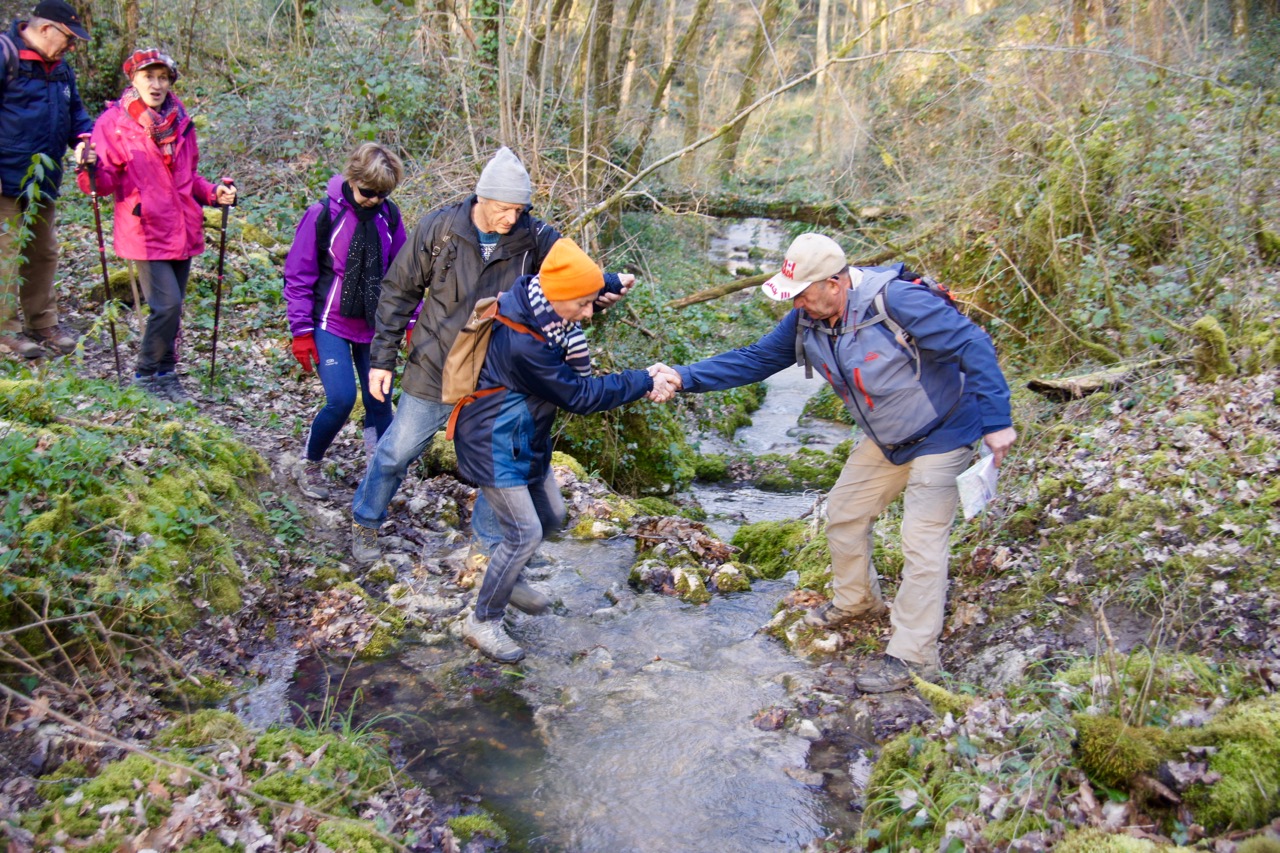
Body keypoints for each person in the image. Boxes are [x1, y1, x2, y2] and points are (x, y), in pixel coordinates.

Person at [659, 233, 1017, 693]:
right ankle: (857, 602)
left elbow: (973, 343)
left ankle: (913, 656)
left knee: (921, 542)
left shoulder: (897, 301)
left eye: (804, 294)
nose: (798, 304)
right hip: (887, 439)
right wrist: (683, 377)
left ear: (836, 282)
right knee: (844, 514)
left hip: (945, 431)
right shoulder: (806, 321)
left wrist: (997, 419)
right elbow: (754, 360)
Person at [350, 146, 633, 564]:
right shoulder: (439, 229)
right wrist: (381, 359)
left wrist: (606, 285)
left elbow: (575, 276)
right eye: (504, 209)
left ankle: (486, 551)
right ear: (480, 199)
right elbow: (398, 292)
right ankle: (365, 521)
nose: (511, 218)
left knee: (499, 469)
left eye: (519, 210)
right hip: (434, 365)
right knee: (395, 452)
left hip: (497, 376)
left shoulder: (534, 238)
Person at [452, 237, 677, 662]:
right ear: (561, 300)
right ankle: (483, 621)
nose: (590, 314)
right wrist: (645, 380)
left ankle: (507, 573)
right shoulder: (525, 343)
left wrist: (608, 282)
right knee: (525, 533)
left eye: (594, 302)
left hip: (525, 437)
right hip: (493, 443)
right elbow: (580, 396)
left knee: (553, 516)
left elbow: (569, 283)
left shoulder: (537, 302)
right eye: (585, 305)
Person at [77, 47, 236, 402]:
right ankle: (145, 375)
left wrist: (214, 194)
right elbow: (100, 184)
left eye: (163, 77)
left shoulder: (180, 121)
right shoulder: (114, 124)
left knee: (173, 306)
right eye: (149, 76)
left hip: (181, 226)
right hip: (144, 230)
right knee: (167, 305)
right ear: (133, 79)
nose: (156, 84)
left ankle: (166, 374)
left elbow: (189, 178)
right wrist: (86, 166)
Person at [284, 143, 408, 500]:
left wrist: (410, 320)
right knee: (341, 398)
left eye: (382, 194)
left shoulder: (389, 217)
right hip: (329, 322)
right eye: (368, 192)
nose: (373, 200)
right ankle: (309, 463)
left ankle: (379, 477)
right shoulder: (323, 215)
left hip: (374, 325)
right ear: (353, 179)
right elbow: (298, 274)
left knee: (379, 400)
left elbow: (403, 275)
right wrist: (301, 332)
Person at [0, 0, 93, 359]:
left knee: (43, 253)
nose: (71, 47)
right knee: (5, 254)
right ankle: (6, 332)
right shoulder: (6, 56)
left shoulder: (61, 69)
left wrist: (85, 141)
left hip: (44, 180)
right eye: (68, 38)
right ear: (43, 29)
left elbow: (77, 115)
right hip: (5, 177)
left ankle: (43, 324)